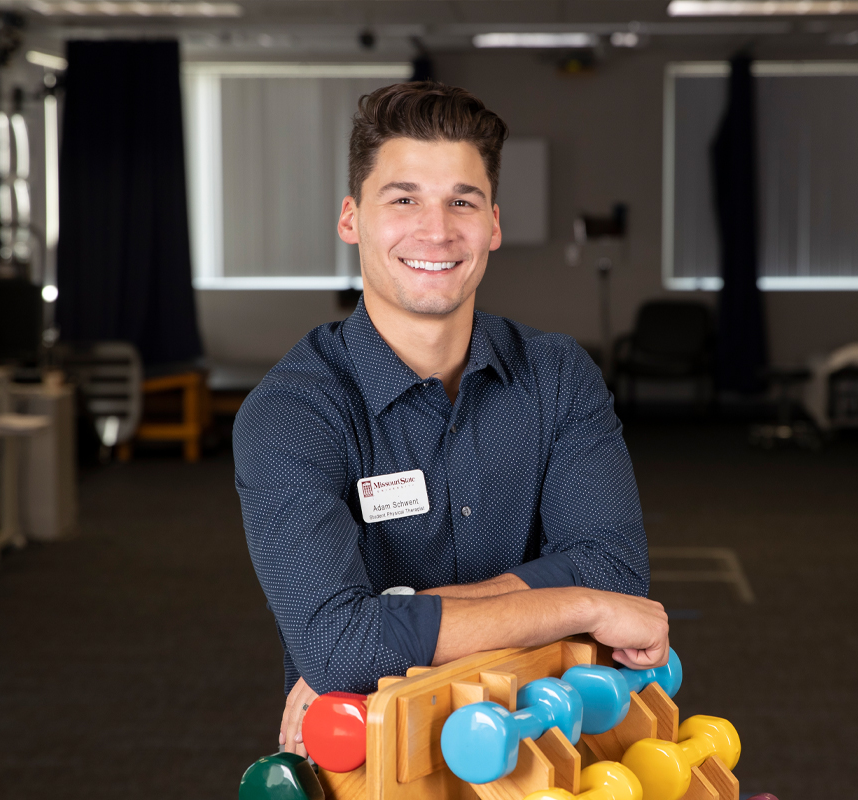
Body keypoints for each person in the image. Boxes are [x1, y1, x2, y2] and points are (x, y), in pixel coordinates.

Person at [233, 82, 668, 757]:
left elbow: (611, 567)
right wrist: (580, 605)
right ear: (352, 219)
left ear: (493, 224)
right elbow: (336, 646)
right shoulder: (293, 414)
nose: (435, 231)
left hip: (544, 747)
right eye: (403, 199)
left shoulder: (557, 377)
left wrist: (387, 623)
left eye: (461, 202)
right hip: (371, 763)